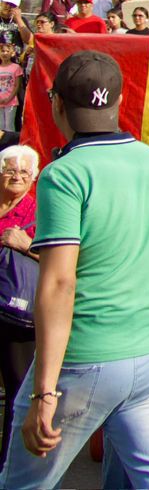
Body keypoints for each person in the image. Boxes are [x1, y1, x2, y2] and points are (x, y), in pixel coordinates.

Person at [1, 50, 149, 489]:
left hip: (86, 355)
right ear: (119, 101)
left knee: (23, 485)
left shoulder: (63, 174)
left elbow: (59, 282)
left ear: (57, 104)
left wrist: (44, 391)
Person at [0, 144, 39, 470]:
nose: (17, 176)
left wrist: (26, 245)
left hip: (17, 316)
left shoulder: (39, 213)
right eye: (10, 170)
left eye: (24, 172)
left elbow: (63, 259)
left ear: (33, 177)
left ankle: (8, 468)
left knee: (17, 390)